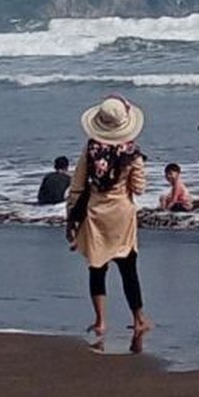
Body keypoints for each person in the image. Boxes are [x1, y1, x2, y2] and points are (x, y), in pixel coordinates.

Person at [65, 95, 152, 336]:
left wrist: (71, 216)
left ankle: (100, 321)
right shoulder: (133, 154)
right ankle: (139, 319)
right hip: (122, 214)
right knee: (128, 269)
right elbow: (139, 187)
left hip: (96, 213)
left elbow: (77, 184)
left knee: (97, 268)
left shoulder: (91, 150)